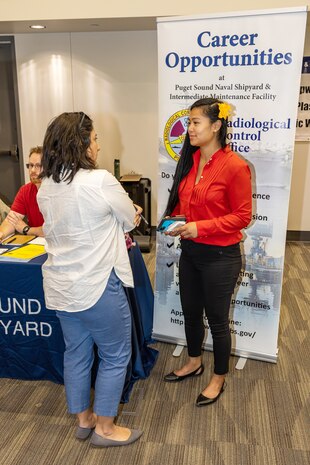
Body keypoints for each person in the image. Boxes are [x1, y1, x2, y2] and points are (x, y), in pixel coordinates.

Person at [37, 112, 143, 447]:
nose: (98, 145)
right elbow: (128, 220)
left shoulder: (46, 187)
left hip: (61, 285)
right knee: (114, 354)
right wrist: (135, 213)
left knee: (76, 353)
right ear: (81, 143)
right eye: (95, 138)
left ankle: (84, 421)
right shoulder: (100, 181)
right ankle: (106, 429)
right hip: (97, 285)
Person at [163, 98, 252, 407]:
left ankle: (218, 378)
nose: (189, 128)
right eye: (189, 122)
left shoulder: (236, 166)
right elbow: (183, 204)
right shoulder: (189, 161)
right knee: (190, 313)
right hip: (190, 253)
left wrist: (200, 228)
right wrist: (174, 221)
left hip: (220, 257)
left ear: (216, 126)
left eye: (195, 122)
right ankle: (194, 361)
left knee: (217, 320)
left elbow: (242, 217)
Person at [0, 146, 44, 242]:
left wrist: (27, 229)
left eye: (38, 166)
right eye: (31, 165)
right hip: (38, 243)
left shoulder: (57, 192)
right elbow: (11, 221)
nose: (32, 170)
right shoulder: (25, 190)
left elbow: (54, 231)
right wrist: (1, 234)